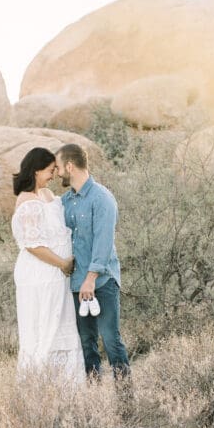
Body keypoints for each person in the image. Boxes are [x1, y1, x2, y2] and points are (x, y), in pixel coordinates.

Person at [54, 143, 131, 381]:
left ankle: (126, 397)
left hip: (102, 281)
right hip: (77, 283)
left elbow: (103, 242)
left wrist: (91, 278)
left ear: (69, 166)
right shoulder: (65, 202)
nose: (57, 173)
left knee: (110, 339)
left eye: (58, 167)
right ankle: (94, 395)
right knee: (86, 343)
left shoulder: (102, 198)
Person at [11, 147, 85, 383]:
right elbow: (33, 245)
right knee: (44, 327)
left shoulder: (46, 195)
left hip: (56, 275)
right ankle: (41, 385)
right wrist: (62, 263)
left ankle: (66, 386)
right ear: (36, 170)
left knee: (60, 324)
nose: (54, 175)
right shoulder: (28, 202)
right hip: (40, 275)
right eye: (51, 170)